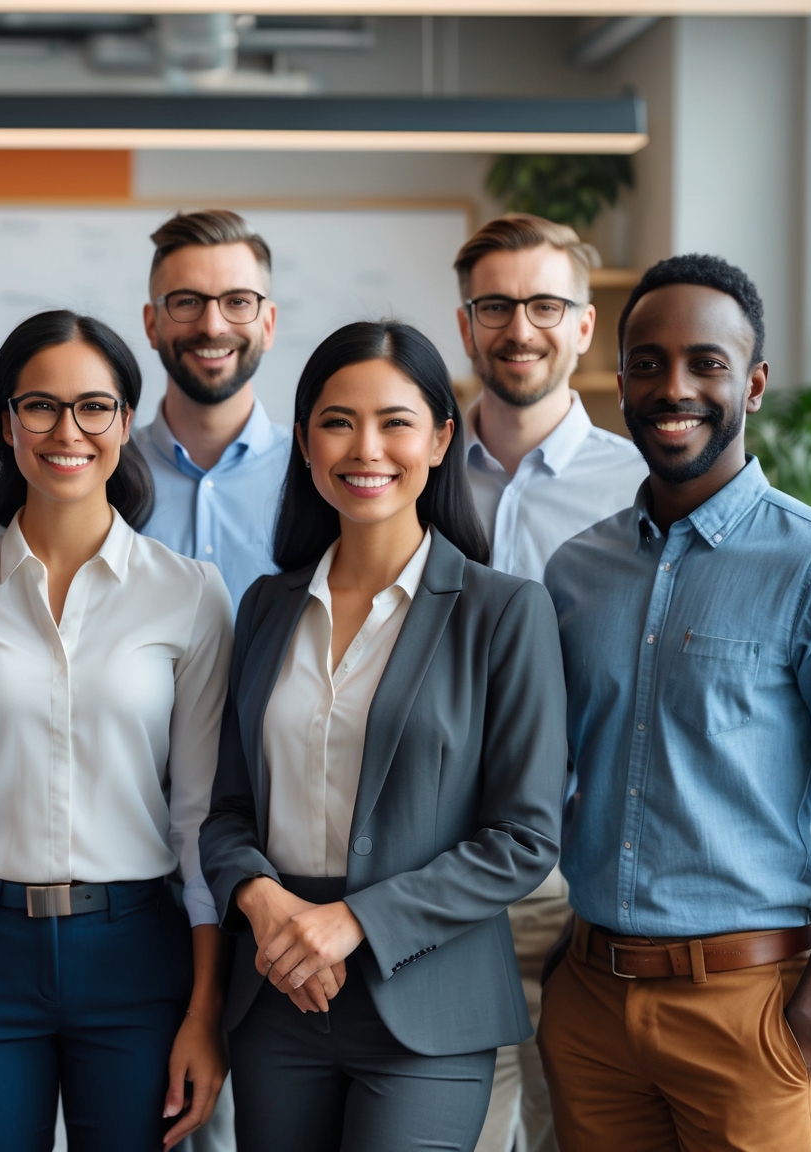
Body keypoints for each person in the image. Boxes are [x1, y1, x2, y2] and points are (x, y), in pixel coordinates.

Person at [200, 320, 567, 1152]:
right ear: (303, 441)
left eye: (396, 422)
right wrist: (264, 903)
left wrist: (353, 921)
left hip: (428, 1006)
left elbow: (524, 838)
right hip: (278, 991)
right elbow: (224, 811)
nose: (365, 447)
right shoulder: (264, 606)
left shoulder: (503, 611)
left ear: (442, 438)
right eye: (337, 421)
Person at [0, 311, 233, 1152]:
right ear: (8, 425)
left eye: (94, 407)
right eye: (39, 406)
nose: (66, 431)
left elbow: (197, 821)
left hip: (137, 952)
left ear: (124, 422)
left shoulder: (189, 594)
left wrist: (204, 1010)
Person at [539, 255, 811, 1150]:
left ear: (752, 383)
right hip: (591, 1005)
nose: (674, 387)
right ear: (622, 377)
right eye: (648, 362)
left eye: (706, 363)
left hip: (753, 1012)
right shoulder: (575, 573)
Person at [452, 214, 645, 1152]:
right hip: (442, 870)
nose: (517, 328)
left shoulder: (642, 490)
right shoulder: (411, 473)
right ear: (465, 325)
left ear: (582, 326)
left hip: (586, 879)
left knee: (584, 1131)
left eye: (544, 304)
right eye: (495, 305)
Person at [136, 209, 292, 610]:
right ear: (152, 324)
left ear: (268, 324)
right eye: (187, 302)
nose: (212, 326)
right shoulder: (107, 474)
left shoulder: (313, 473)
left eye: (237, 301)